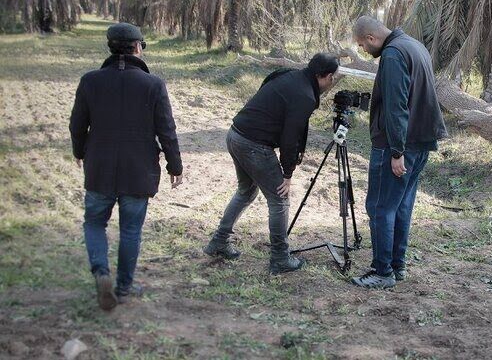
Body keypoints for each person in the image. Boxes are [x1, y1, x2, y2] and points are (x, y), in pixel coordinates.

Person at [69, 22, 183, 311]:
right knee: (131, 229)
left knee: (94, 222)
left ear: (110, 47)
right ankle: (123, 287)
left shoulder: (90, 81)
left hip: (99, 167)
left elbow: (77, 124)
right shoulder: (153, 84)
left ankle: (101, 273)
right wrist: (175, 166)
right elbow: (166, 130)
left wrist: (79, 151)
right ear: (136, 48)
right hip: (138, 171)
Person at [203, 53, 338, 274]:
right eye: (333, 78)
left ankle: (218, 241)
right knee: (279, 199)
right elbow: (290, 138)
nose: (332, 82)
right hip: (253, 145)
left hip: (235, 135)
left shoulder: (289, 75)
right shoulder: (305, 95)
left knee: (246, 192)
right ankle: (280, 258)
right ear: (327, 76)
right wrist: (288, 172)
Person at [350, 16, 448, 289]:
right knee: (401, 205)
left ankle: (382, 272)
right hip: (421, 142)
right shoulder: (414, 45)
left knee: (380, 207)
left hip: (398, 146)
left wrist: (396, 151)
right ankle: (396, 265)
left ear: (371, 38)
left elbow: (396, 107)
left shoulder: (392, 55)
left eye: (362, 45)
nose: (363, 51)